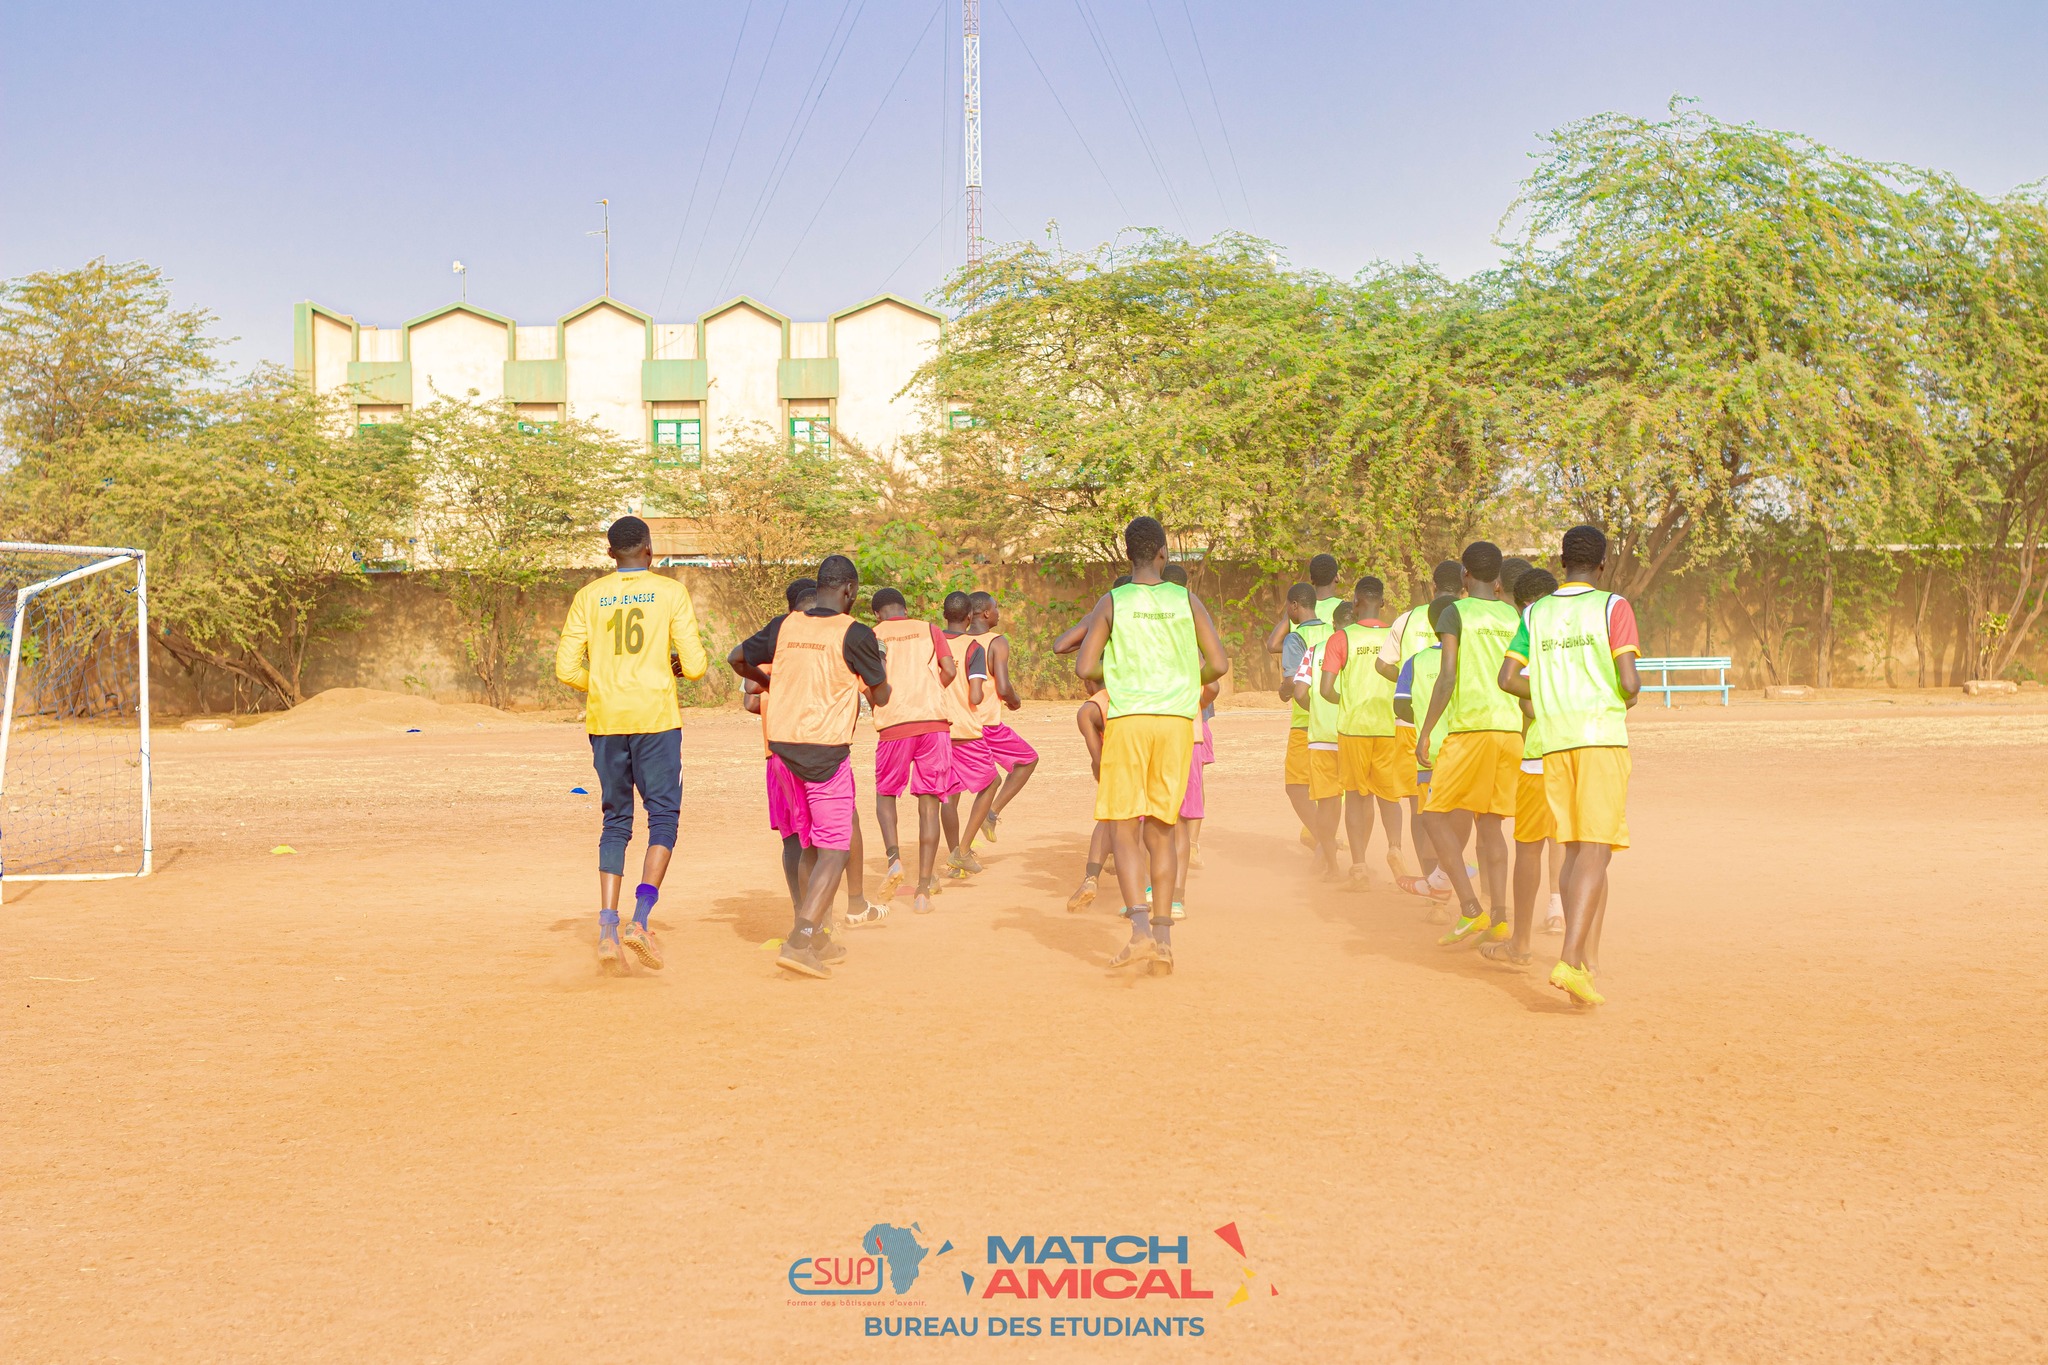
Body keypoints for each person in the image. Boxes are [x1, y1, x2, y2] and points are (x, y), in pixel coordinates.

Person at [553, 515, 708, 974]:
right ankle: (639, 920)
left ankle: (606, 929)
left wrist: (603, 684)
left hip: (606, 720)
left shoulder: (589, 596)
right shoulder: (670, 592)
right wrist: (666, 668)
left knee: (616, 820)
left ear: (609, 553)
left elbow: (566, 669)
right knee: (663, 817)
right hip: (656, 719)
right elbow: (695, 667)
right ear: (650, 551)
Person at [1076, 516, 1231, 974]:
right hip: (1176, 723)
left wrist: (1123, 675)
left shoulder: (1112, 601)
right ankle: (1164, 940)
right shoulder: (1186, 599)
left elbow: (1086, 666)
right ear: (1163, 553)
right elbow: (1218, 663)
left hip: (1129, 720)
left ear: (1129, 555)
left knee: (1124, 827)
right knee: (1163, 829)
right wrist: (1184, 682)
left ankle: (1141, 931)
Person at [730, 555, 891, 980]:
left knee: (809, 847)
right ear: (850, 590)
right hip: (825, 755)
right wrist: (881, 671)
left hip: (782, 752)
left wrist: (769, 682)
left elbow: (736, 658)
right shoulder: (855, 633)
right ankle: (800, 941)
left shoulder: (785, 626)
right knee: (835, 848)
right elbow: (881, 696)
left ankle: (817, 936)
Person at [1500, 524, 1641, 1006]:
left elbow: (1508, 678)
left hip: (1555, 743)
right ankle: (1571, 962)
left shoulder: (1535, 611)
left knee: (1576, 850)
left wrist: (1549, 698)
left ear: (1562, 562)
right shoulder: (1613, 606)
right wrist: (1611, 697)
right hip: (1600, 738)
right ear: (1602, 564)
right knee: (1596, 852)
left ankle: (1579, 965)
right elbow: (1629, 683)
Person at [1414, 542, 1523, 948]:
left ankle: (1471, 909)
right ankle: (1500, 919)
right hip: (1509, 730)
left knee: (1433, 816)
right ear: (1498, 578)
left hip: (1470, 729)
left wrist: (1426, 730)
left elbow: (1447, 677)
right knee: (1492, 826)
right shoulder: (1513, 615)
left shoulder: (1454, 613)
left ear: (1464, 574)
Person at [1480, 566, 1558, 970]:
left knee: (1528, 847)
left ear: (1522, 602)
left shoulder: (1531, 625)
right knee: (1580, 845)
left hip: (1539, 750)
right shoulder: (1586, 621)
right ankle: (1580, 948)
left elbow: (1526, 702)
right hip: (1587, 747)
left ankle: (1521, 943)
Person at [869, 587, 957, 916]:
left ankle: (894, 860)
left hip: (894, 724)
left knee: (885, 794)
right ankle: (922, 891)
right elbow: (949, 670)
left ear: (877, 614)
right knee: (929, 806)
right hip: (933, 724)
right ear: (905, 609)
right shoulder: (930, 629)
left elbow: (870, 682)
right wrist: (930, 691)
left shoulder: (873, 634)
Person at [1378, 559, 1465, 890]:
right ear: (1464, 586)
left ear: (1433, 586)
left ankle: (1433, 880)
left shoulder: (1407, 619)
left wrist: (1411, 683)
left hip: (1413, 726)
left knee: (1421, 808)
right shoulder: (1469, 615)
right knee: (1466, 810)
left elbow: (1382, 664)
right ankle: (1475, 884)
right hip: (1463, 723)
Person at [1320, 576, 1406, 888]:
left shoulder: (1341, 638)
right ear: (1382, 603)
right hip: (1389, 726)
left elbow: (1325, 689)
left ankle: (1359, 868)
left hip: (1354, 728)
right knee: (1390, 796)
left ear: (1355, 603)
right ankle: (1395, 848)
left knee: (1356, 798)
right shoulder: (1396, 635)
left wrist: (1347, 702)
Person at [1392, 595, 1458, 906]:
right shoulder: (1469, 659)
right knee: (1475, 823)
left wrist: (1423, 720)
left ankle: (1437, 895)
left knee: (1428, 821)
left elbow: (1400, 707)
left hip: (1429, 756)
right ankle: (1487, 894)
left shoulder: (1415, 662)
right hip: (1467, 752)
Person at [962, 591, 1038, 848]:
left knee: (955, 790)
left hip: (957, 723)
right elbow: (1003, 687)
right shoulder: (997, 642)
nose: (998, 613)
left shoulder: (955, 639)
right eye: (996, 608)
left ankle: (959, 848)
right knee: (1027, 760)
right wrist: (1014, 702)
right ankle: (991, 814)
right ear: (986, 613)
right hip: (986, 723)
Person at [936, 591, 995, 878]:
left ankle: (954, 859)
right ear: (970, 617)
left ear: (944, 615)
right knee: (992, 781)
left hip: (938, 729)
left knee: (949, 795)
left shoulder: (933, 644)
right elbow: (975, 695)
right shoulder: (974, 648)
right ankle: (962, 850)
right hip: (965, 730)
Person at [1293, 601, 1348, 878]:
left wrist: (1315, 711)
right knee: (1358, 801)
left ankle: (1331, 864)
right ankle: (1360, 863)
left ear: (1333, 625)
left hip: (1321, 737)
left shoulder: (1314, 651)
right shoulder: (1361, 648)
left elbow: (1299, 692)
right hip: (1354, 735)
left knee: (1327, 803)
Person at [1276, 583, 1330, 850]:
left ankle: (1323, 839)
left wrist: (1283, 691)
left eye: (1288, 606)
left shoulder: (1295, 637)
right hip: (1333, 722)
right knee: (1328, 790)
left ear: (1295, 605)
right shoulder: (1334, 632)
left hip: (1304, 724)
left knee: (1296, 787)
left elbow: (1293, 681)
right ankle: (1327, 844)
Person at [1067, 687, 1114, 913]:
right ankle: (1149, 890)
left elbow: (1098, 762)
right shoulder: (1148, 687)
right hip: (1153, 753)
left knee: (1108, 821)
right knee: (1147, 826)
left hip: (1117, 762)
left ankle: (1091, 879)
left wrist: (1101, 768)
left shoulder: (1096, 704)